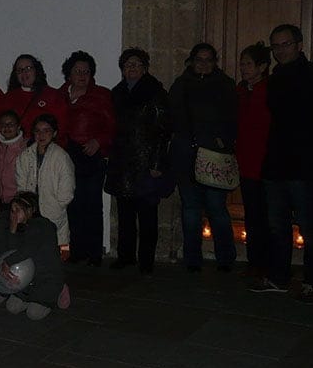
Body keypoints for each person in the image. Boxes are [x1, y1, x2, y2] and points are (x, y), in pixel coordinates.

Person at [251, 24, 313, 302]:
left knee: (308, 226)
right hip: (276, 163)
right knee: (277, 225)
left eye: (286, 44)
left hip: (304, 165)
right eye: (276, 46)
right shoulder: (275, 78)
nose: (280, 50)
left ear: (299, 45)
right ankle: (279, 277)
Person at [167, 43, 238, 272]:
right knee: (191, 209)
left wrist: (222, 141)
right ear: (192, 61)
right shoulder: (181, 85)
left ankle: (225, 258)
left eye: (208, 60)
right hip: (186, 155)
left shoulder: (225, 85)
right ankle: (192, 258)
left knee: (217, 208)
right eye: (200, 60)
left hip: (214, 156)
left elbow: (233, 119)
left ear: (215, 62)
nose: (204, 64)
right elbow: (172, 117)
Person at [105, 48, 172, 274]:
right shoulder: (117, 93)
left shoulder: (155, 93)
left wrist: (157, 163)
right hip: (123, 161)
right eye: (127, 65)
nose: (131, 68)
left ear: (145, 68)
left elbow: (163, 130)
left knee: (147, 215)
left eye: (136, 64)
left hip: (146, 161)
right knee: (125, 214)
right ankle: (125, 256)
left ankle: (146, 260)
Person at [58, 51, 115, 267]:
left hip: (91, 155)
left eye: (86, 71)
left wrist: (98, 141)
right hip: (66, 155)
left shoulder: (101, 95)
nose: (82, 75)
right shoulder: (59, 95)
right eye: (78, 71)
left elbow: (113, 126)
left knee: (92, 204)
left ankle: (94, 253)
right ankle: (76, 250)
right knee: (72, 203)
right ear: (69, 74)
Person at [0, 193, 70, 320]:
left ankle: (59, 290)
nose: (14, 214)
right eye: (12, 211)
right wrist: (12, 231)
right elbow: (13, 251)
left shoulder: (41, 225)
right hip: (31, 279)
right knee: (12, 307)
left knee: (33, 314)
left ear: (31, 210)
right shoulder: (23, 228)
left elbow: (27, 249)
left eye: (18, 210)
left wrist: (8, 262)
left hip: (47, 278)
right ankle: (33, 297)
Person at [15, 114, 75, 260]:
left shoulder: (61, 157)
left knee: (60, 248)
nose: (41, 135)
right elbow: (21, 183)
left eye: (46, 130)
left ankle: (61, 267)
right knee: (36, 250)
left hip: (54, 210)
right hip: (32, 210)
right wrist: (26, 205)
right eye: (37, 131)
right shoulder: (25, 155)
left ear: (54, 133)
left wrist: (58, 205)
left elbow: (67, 187)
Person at [235, 42, 271, 279]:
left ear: (262, 66)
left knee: (266, 216)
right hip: (246, 162)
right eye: (242, 64)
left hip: (266, 162)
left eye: (248, 64)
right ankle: (254, 261)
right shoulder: (241, 90)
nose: (244, 68)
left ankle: (268, 263)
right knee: (252, 215)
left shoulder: (269, 90)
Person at [1, 54, 67, 142]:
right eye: (20, 70)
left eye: (28, 68)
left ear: (36, 70)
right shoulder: (9, 98)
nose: (24, 72)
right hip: (17, 147)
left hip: (47, 146)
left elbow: (62, 127)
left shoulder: (53, 95)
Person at [0, 110, 27, 204]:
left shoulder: (26, 148)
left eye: (11, 124)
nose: (7, 127)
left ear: (18, 126)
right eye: (3, 124)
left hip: (18, 199)